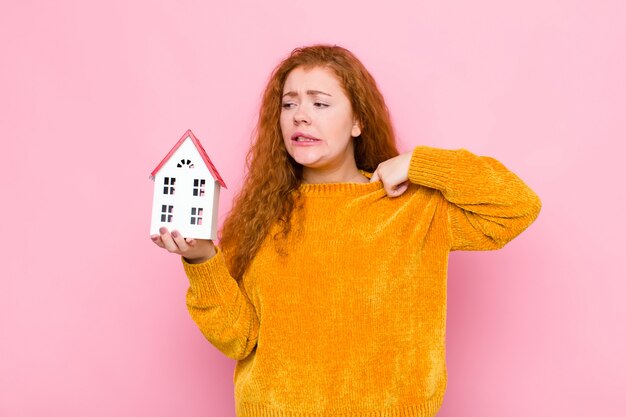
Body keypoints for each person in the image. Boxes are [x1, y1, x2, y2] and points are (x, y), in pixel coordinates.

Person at [151, 44, 541, 417]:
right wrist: (201, 258)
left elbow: (516, 206)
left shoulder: (413, 207)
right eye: (289, 104)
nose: (300, 116)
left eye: (320, 103)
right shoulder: (259, 217)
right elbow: (238, 338)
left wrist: (421, 163)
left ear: (358, 121)